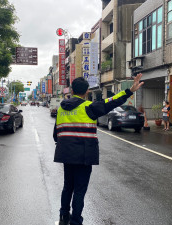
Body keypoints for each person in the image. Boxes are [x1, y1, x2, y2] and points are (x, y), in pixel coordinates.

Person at [54, 74, 144, 225]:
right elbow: (111, 102)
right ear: (87, 91)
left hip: (66, 154)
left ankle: (63, 216)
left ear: (71, 90)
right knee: (79, 190)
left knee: (67, 186)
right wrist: (129, 91)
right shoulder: (90, 107)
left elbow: (56, 134)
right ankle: (75, 221)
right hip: (84, 156)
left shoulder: (61, 109)